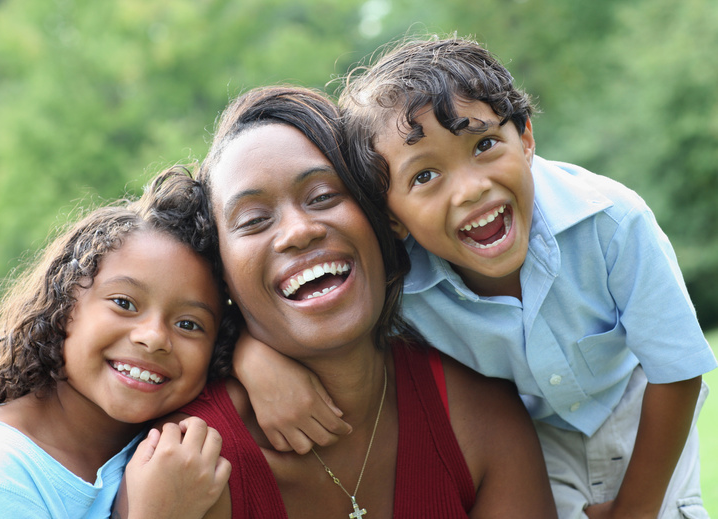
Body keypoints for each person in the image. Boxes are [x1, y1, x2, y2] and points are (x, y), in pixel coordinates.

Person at [235, 36, 718, 518]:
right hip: (538, 438)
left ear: (526, 138)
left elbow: (677, 372)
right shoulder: (399, 283)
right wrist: (252, 357)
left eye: (485, 144)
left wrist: (636, 509)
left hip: (645, 413)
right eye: (424, 176)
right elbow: (258, 309)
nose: (471, 189)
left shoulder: (612, 223)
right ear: (393, 218)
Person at [121, 85, 557, 518]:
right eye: (254, 220)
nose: (298, 231)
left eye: (324, 197)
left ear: (384, 216)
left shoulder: (480, 418)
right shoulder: (183, 470)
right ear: (222, 273)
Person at [0, 169, 236, 518]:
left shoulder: (170, 442)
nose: (154, 337)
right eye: (124, 303)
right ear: (63, 305)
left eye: (188, 324)